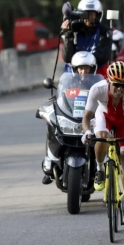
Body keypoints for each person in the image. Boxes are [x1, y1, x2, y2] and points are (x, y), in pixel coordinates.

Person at [81, 61, 124, 223]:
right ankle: (100, 169)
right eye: (116, 84)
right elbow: (86, 117)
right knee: (101, 135)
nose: (120, 89)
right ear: (109, 81)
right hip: (105, 117)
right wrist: (87, 131)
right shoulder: (97, 89)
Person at [42, 51, 99, 184]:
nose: (83, 72)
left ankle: (107, 163)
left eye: (86, 68)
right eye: (80, 68)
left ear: (92, 69)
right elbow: (61, 97)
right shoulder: (68, 82)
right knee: (51, 122)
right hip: (71, 117)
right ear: (74, 69)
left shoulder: (98, 84)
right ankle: (51, 160)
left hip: (90, 118)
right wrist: (53, 101)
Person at [61, 0, 112, 78]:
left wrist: (84, 63)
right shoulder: (74, 29)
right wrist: (68, 34)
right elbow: (67, 58)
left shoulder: (104, 31)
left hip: (97, 75)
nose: (88, 17)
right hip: (75, 75)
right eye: (85, 14)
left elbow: (103, 57)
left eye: (92, 14)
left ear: (98, 15)